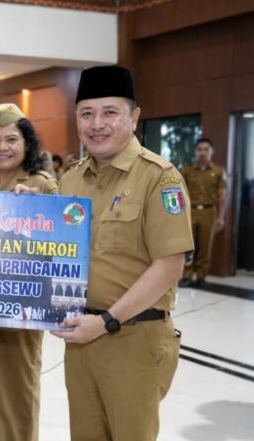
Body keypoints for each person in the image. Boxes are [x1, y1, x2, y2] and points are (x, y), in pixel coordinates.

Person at [52, 65, 192, 441]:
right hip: (81, 338)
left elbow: (169, 265)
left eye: (110, 112)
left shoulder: (159, 177)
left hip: (133, 339)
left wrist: (107, 321)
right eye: (87, 113)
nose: (97, 123)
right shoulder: (70, 179)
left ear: (133, 117)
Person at [0, 103, 58, 441]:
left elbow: (63, 240)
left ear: (27, 144)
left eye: (11, 139)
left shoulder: (42, 186)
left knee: (19, 385)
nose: (1, 147)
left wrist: (39, 208)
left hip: (22, 309)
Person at [179, 138, 227, 288]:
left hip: (208, 212)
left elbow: (222, 195)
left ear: (211, 152)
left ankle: (201, 275)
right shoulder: (186, 170)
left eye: (206, 149)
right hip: (189, 211)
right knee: (188, 246)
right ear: (195, 152)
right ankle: (186, 274)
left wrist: (220, 217)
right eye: (199, 149)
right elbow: (178, 193)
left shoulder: (218, 171)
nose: (202, 152)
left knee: (206, 246)